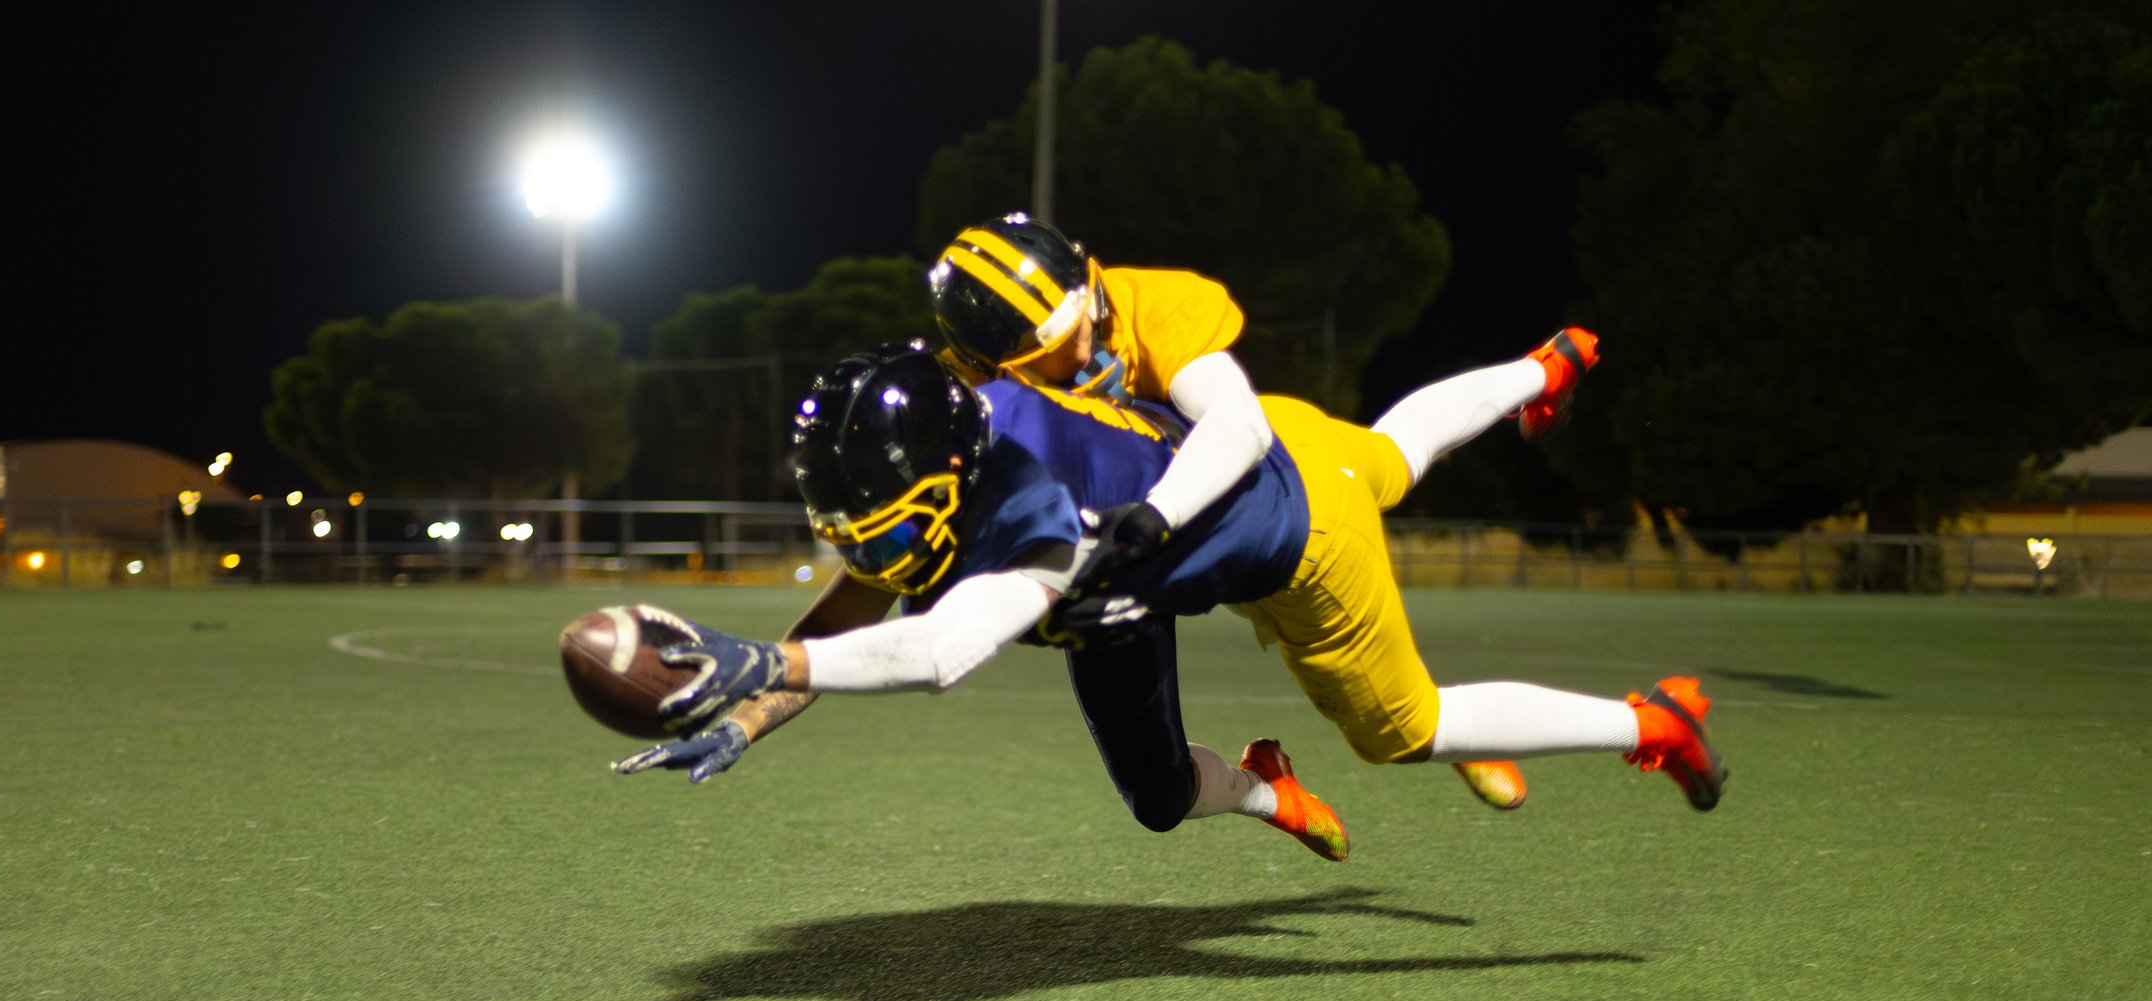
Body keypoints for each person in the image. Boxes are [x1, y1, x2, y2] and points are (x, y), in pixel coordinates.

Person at [614, 337, 1724, 863]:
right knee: (1396, 445)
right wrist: (753, 711)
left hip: (1296, 542)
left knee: (1412, 729)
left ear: (951, 475)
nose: (871, 547)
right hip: (1224, 480)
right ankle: (1546, 367)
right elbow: (868, 604)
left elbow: (942, 648)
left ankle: (1654, 721)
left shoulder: (1039, 520)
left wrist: (770, 668)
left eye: (883, 517)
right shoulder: (959, 434)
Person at [928, 213, 1533, 810]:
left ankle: (1448, 722)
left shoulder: (1147, 305)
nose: (1084, 335)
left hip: (1231, 506)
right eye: (1051, 343)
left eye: (1079, 307)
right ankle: (1267, 792)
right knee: (1158, 798)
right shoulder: (969, 403)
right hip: (1110, 563)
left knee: (1395, 464)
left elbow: (1238, 425)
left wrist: (1154, 518)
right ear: (991, 368)